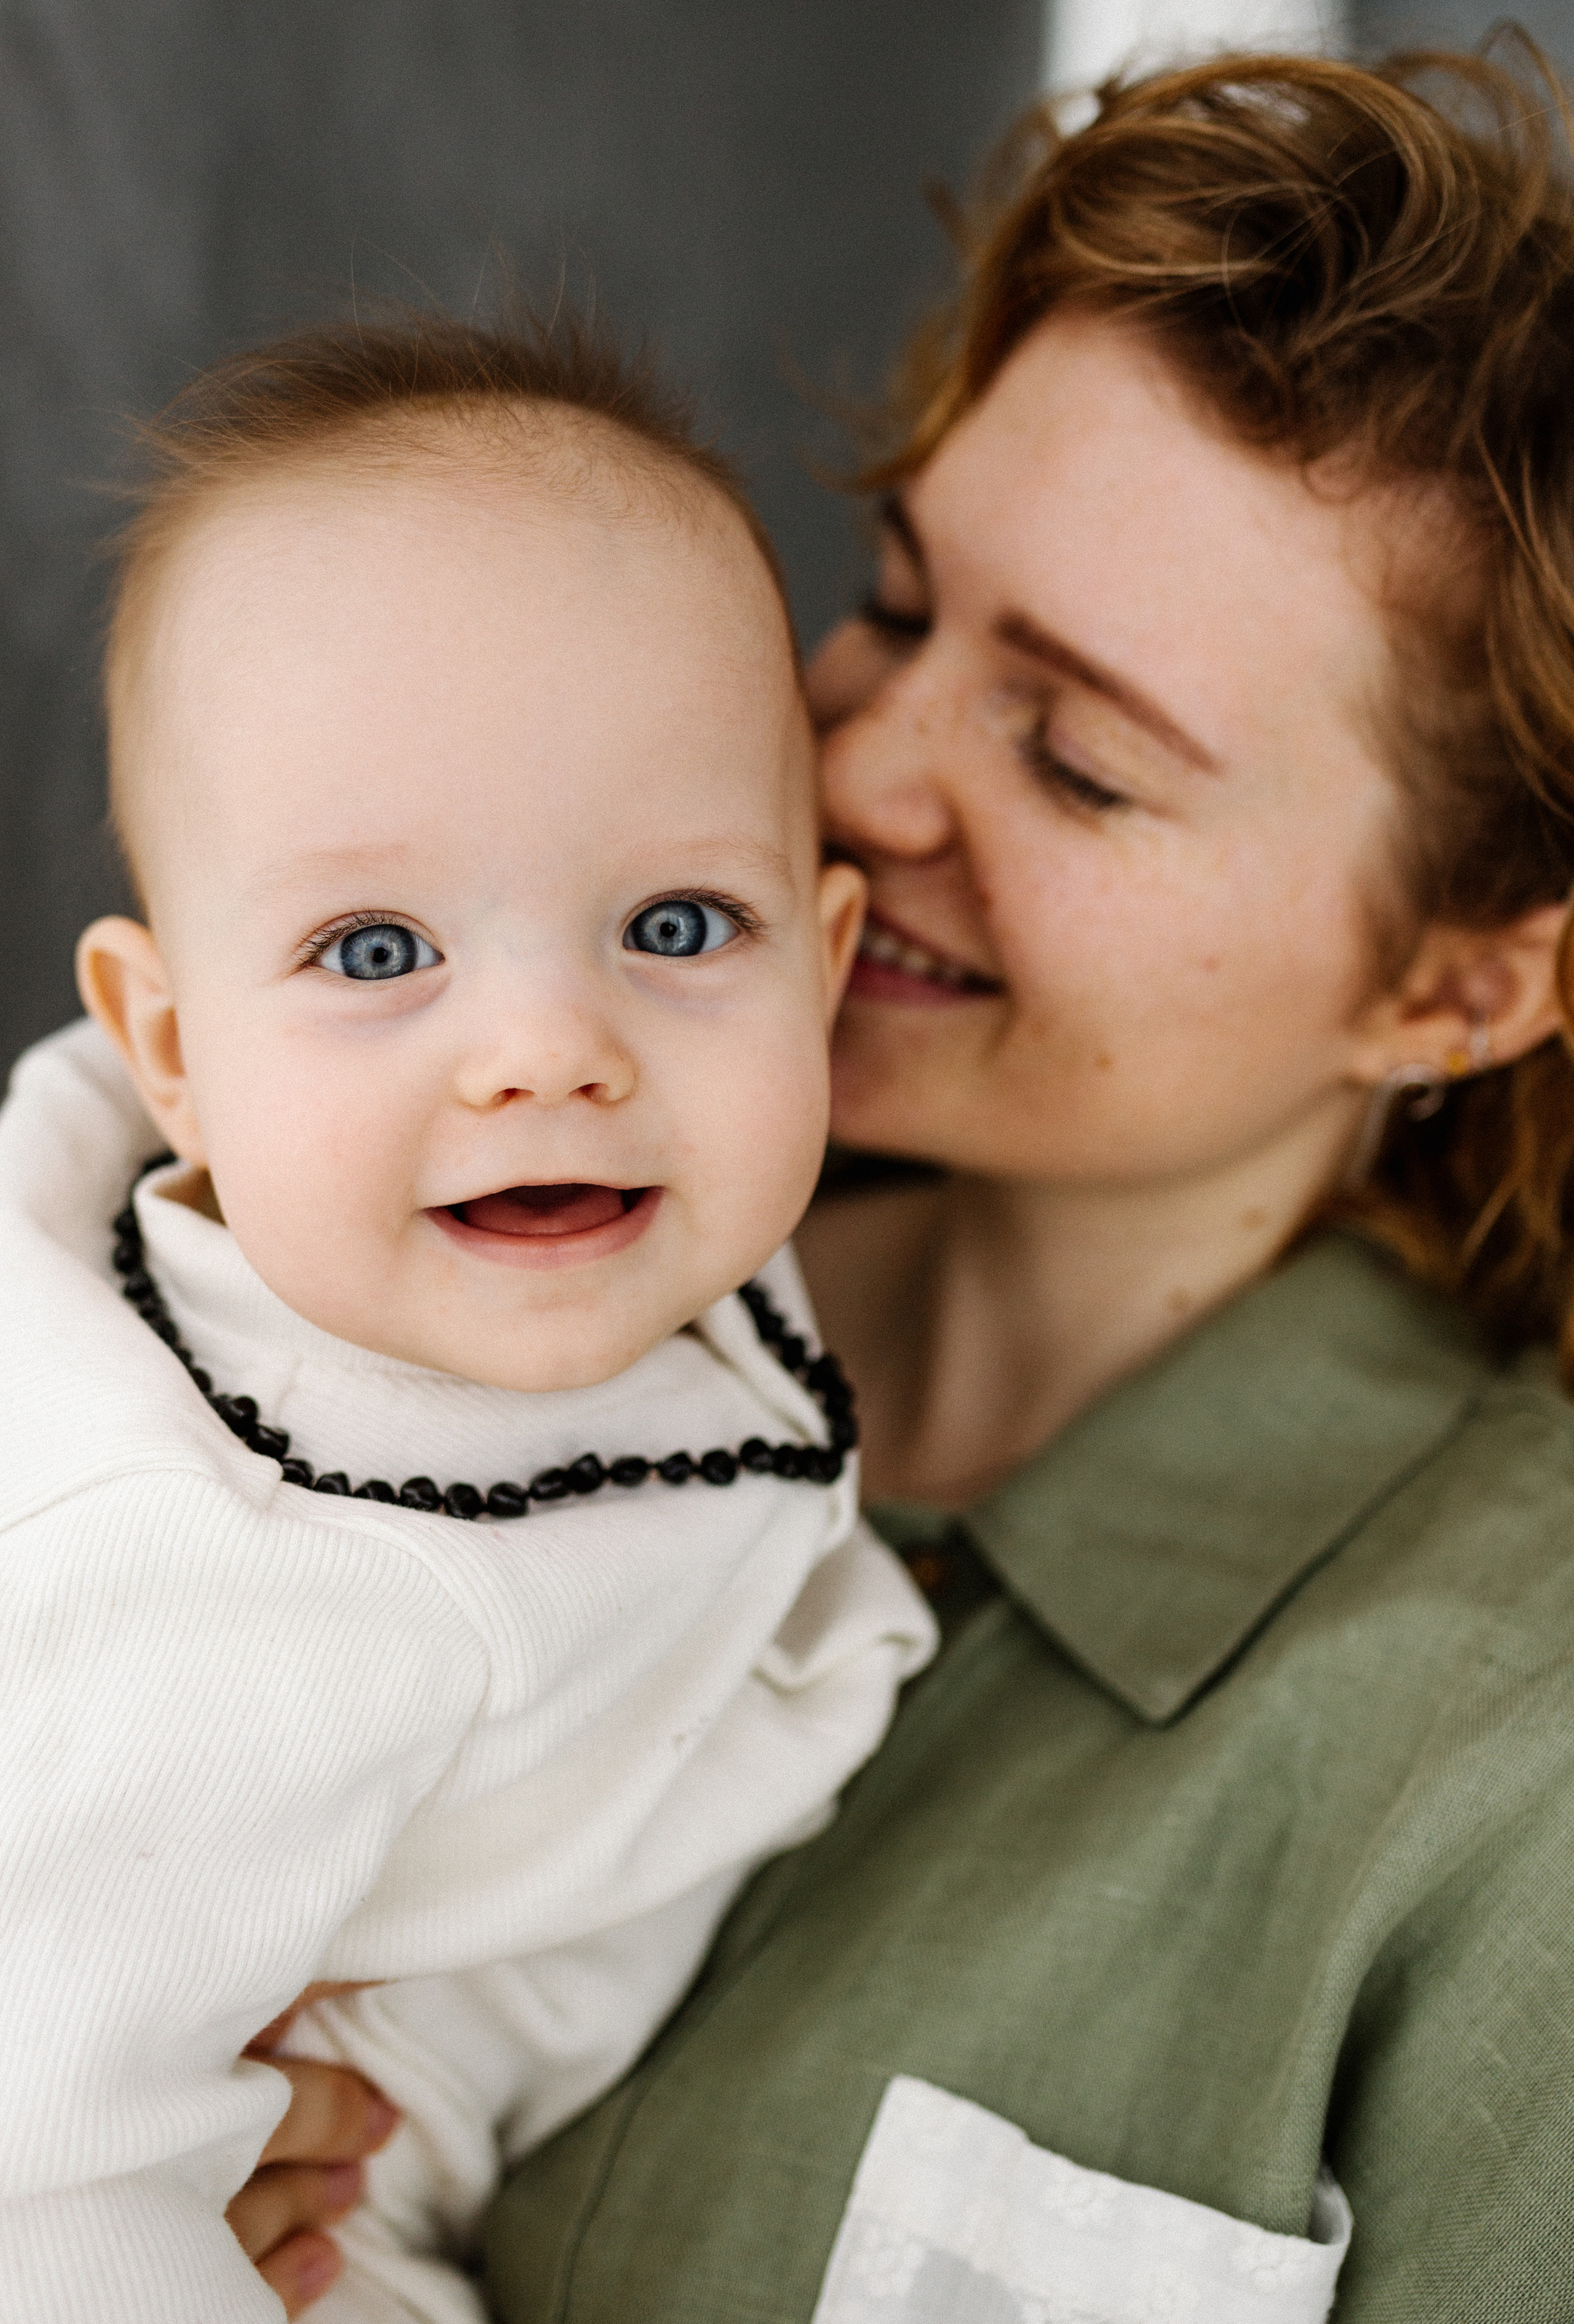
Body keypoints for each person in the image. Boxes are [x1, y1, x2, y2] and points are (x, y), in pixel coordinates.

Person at [242, 38, 1574, 2324]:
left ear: (1461, 988)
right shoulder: (365, 1281)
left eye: (1075, 761)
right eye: (890, 591)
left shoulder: (1504, 1773)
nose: (848, 768)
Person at [0, 316, 935, 2323]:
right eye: (375, 948)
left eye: (678, 927)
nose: (546, 1051)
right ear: (170, 1046)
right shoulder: (208, 1587)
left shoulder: (548, 1246)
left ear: (825, 955)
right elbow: (39, 2161)